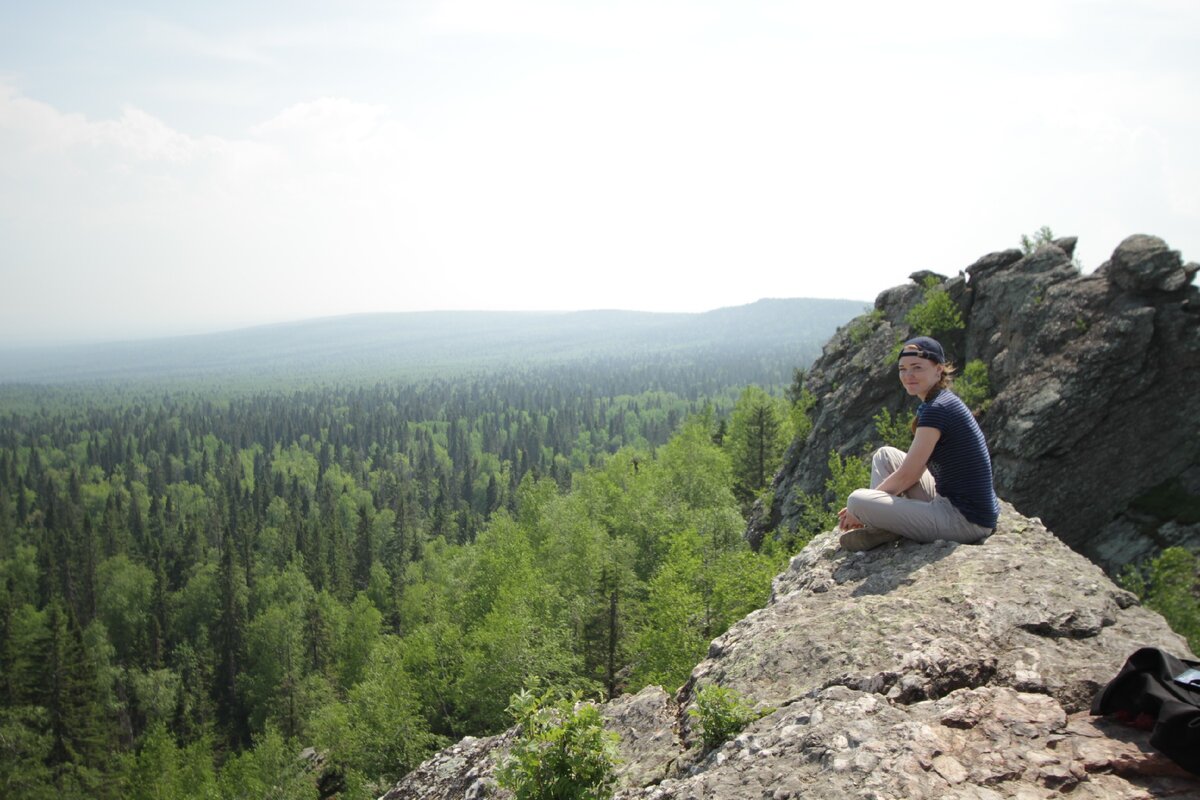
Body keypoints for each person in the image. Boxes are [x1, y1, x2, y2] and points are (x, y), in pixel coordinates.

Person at [837, 335, 999, 551]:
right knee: (885, 455)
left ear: (938, 369)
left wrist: (858, 510)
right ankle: (883, 524)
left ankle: (880, 525)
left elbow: (909, 475)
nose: (908, 375)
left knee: (856, 500)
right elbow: (913, 469)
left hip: (965, 521)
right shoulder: (942, 400)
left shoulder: (937, 410)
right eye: (902, 369)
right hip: (958, 504)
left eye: (917, 368)